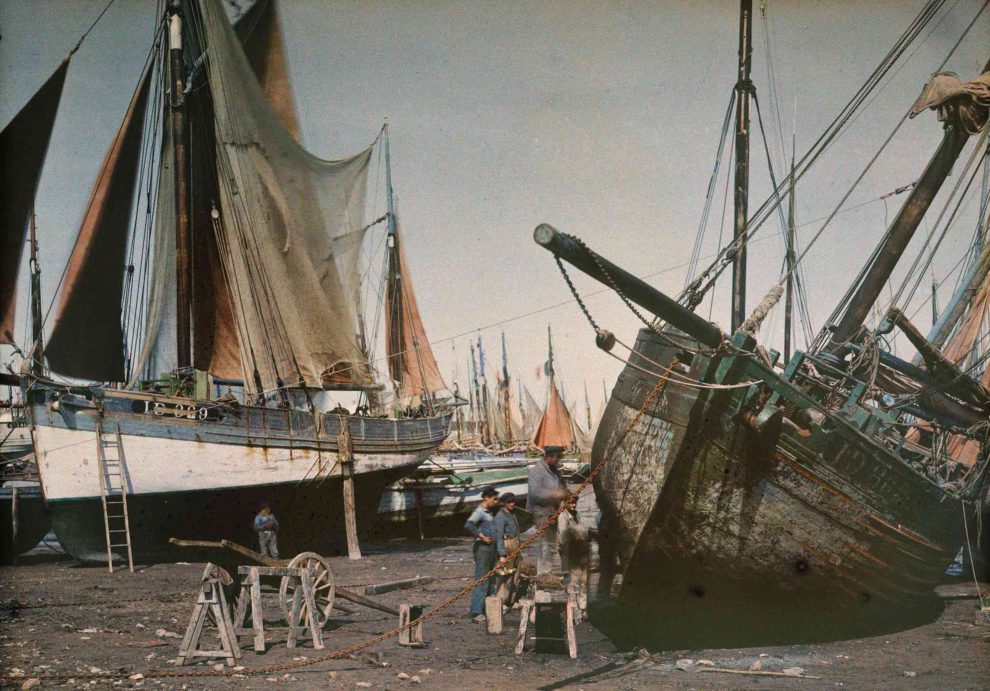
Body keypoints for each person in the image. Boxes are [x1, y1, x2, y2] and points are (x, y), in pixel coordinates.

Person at [527, 445, 568, 575]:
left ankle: (547, 573)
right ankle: (542, 575)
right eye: (557, 457)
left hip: (553, 512)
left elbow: (561, 488)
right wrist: (555, 494)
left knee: (551, 544)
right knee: (545, 545)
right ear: (548, 456)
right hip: (541, 513)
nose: (559, 460)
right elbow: (535, 493)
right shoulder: (537, 471)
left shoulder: (554, 470)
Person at [464, 485, 500, 623]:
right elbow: (469, 525)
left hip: (492, 549)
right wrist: (482, 536)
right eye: (494, 499)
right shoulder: (480, 511)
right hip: (482, 549)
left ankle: (487, 609)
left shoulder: (490, 512)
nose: (496, 502)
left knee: (491, 580)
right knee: (482, 580)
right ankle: (476, 612)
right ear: (487, 498)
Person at [494, 492, 521, 608]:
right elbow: (498, 537)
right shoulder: (500, 517)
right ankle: (502, 602)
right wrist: (502, 555)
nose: (512, 504)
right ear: (504, 503)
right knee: (506, 575)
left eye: (513, 501)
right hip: (507, 545)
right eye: (509, 502)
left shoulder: (512, 513)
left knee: (517, 574)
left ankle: (511, 600)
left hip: (515, 544)